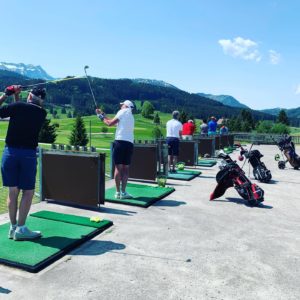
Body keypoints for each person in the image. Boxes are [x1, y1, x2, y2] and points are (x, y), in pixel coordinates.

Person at [0, 85, 47, 241]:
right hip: (27, 155)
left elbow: (16, 110)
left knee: (13, 192)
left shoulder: (18, 106)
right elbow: (20, 110)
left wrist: (7, 94)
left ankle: (13, 228)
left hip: (10, 153)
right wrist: (16, 96)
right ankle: (21, 229)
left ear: (29, 96)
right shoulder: (42, 113)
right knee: (28, 192)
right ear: (42, 101)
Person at [96, 100, 134, 199]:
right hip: (129, 144)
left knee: (118, 168)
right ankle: (124, 192)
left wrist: (100, 117)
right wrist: (103, 114)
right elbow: (115, 121)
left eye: (122, 105)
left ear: (126, 106)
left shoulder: (122, 111)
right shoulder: (131, 117)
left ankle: (117, 193)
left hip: (120, 143)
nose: (120, 106)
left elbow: (109, 123)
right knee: (126, 169)